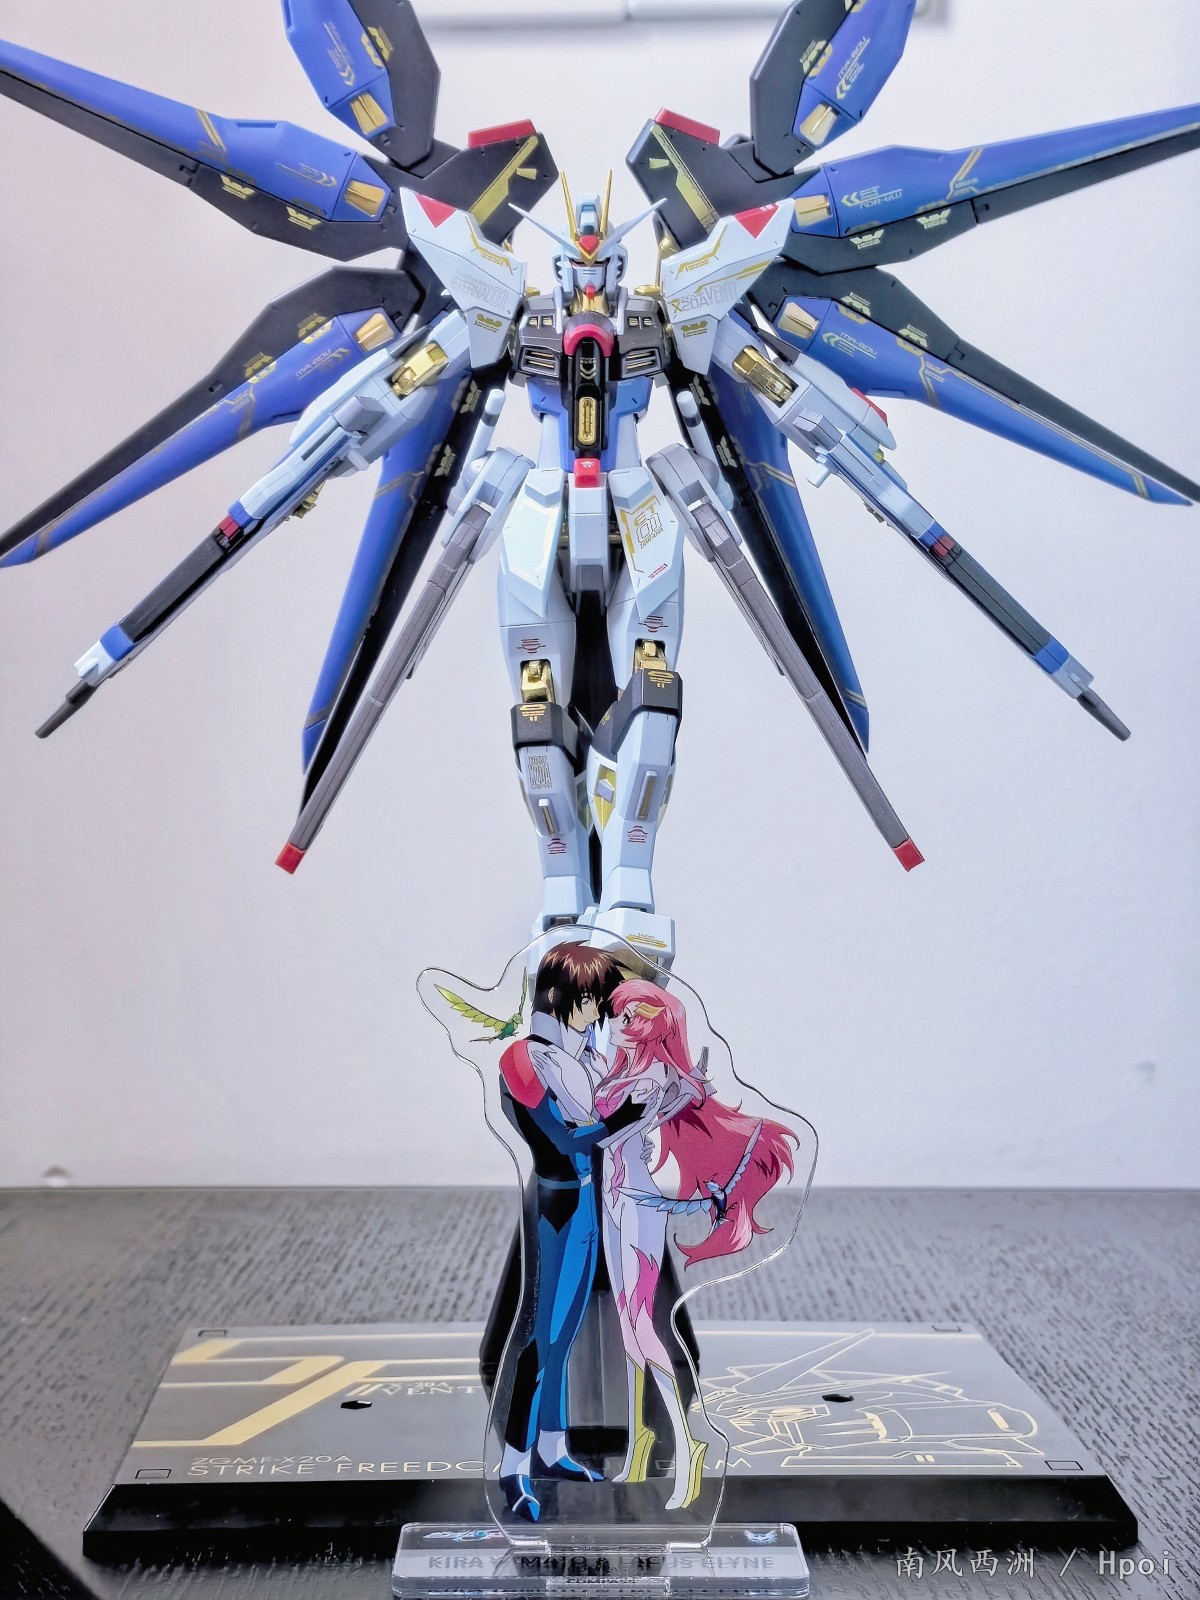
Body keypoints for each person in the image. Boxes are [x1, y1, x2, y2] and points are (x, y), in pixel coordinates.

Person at [595, 980, 798, 1511]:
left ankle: (688, 1446)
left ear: (658, 1024)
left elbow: (609, 1135)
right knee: (626, 1327)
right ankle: (639, 1443)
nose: (621, 1024)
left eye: (633, 1017)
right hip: (611, 1201)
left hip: (638, 1206)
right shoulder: (620, 1069)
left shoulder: (658, 1079)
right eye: (619, 1015)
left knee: (642, 1325)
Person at [496, 943, 652, 1522]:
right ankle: (513, 1468)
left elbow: (602, 1120)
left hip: (587, 1199)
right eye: (591, 999)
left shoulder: (583, 1053)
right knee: (541, 1342)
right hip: (558, 1202)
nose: (598, 1012)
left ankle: (553, 1448)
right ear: (561, 995)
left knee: (564, 1337)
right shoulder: (523, 1058)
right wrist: (620, 1120)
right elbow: (561, 1139)